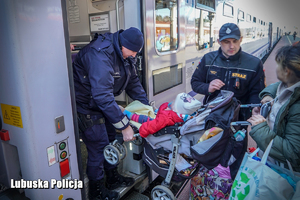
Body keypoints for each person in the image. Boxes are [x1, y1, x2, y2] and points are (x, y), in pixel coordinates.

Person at [72, 27, 149, 200]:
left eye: (137, 52)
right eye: (133, 52)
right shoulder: (99, 54)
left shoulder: (124, 54)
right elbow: (101, 95)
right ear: (123, 45)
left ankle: (112, 179)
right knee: (99, 148)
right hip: (87, 106)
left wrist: (147, 109)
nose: (134, 56)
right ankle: (96, 192)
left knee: (111, 141)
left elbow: (133, 82)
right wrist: (125, 126)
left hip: (103, 104)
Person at [191, 23, 265, 119]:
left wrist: (254, 107)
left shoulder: (254, 63)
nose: (231, 46)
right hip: (211, 115)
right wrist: (208, 87)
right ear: (219, 41)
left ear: (241, 39)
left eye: (235, 41)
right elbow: (195, 83)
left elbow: (257, 92)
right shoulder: (208, 59)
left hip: (239, 117)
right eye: (226, 42)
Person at [247, 44, 300, 172]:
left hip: (283, 176)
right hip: (270, 163)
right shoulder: (288, 85)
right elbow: (277, 86)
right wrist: (267, 97)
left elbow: (293, 154)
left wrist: (260, 129)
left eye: (278, 65)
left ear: (287, 71)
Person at [120, 93, 202, 137]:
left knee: (145, 119)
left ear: (176, 109)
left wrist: (142, 131)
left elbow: (153, 125)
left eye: (174, 102)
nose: (172, 101)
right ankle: (154, 110)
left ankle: (128, 114)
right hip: (160, 116)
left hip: (158, 121)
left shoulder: (167, 117)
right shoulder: (187, 115)